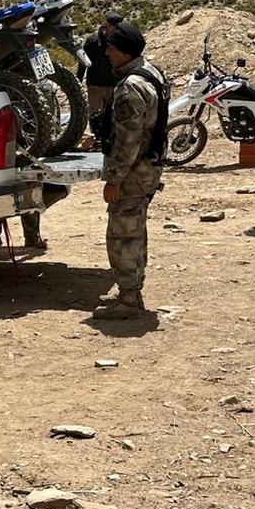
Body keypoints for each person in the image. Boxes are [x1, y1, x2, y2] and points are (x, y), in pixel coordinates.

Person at [93, 23, 166, 321]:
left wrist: (115, 179)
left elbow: (128, 140)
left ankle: (128, 299)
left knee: (123, 236)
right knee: (135, 233)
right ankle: (131, 290)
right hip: (148, 167)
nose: (107, 53)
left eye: (111, 47)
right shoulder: (152, 73)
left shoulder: (131, 87)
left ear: (124, 51)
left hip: (133, 172)